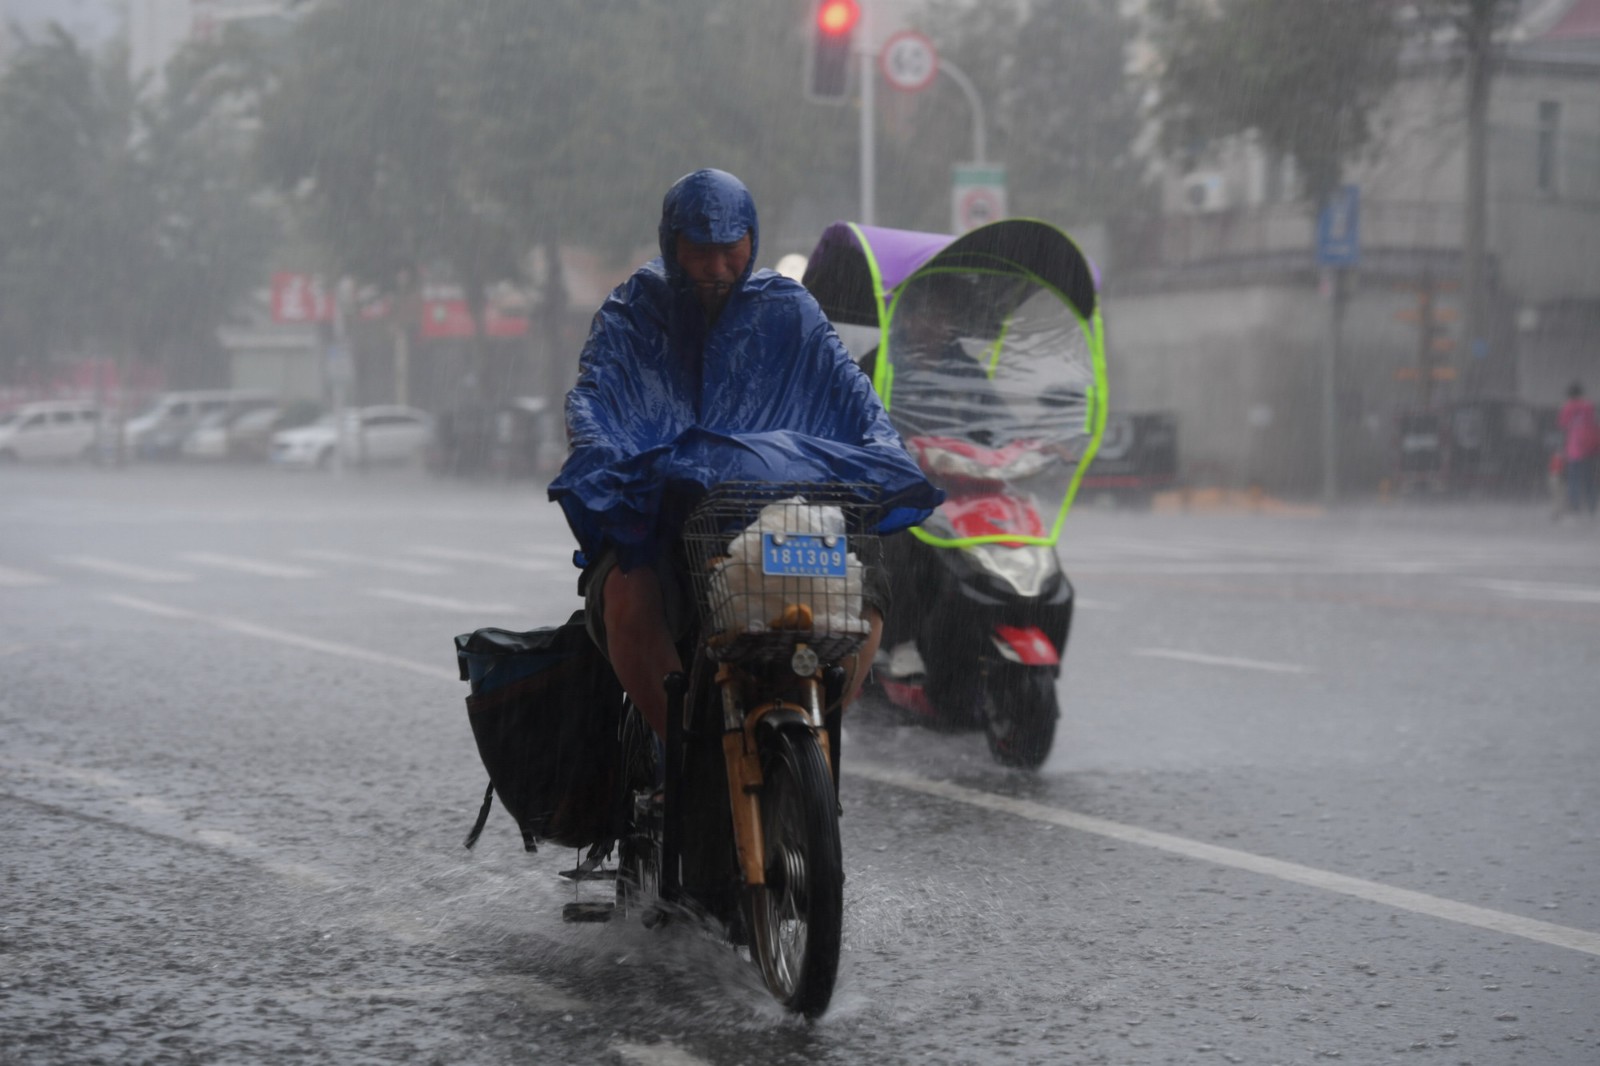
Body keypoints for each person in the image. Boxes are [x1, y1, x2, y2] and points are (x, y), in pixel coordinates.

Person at [548, 169, 937, 742]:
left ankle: (818, 730)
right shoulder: (633, 312)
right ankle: (679, 749)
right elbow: (596, 399)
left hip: (782, 513)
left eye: (730, 250)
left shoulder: (789, 310)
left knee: (867, 594)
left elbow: (851, 393)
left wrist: (882, 450)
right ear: (672, 244)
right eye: (700, 251)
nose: (716, 267)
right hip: (665, 520)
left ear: (752, 241)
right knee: (627, 596)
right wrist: (612, 458)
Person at [1557, 381, 1599, 517]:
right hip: (1589, 448)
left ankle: (1575, 506)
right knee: (1589, 478)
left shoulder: (1567, 407)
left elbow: (1563, 425)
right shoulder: (1589, 406)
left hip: (1574, 448)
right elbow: (1594, 423)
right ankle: (1592, 505)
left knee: (1573, 478)